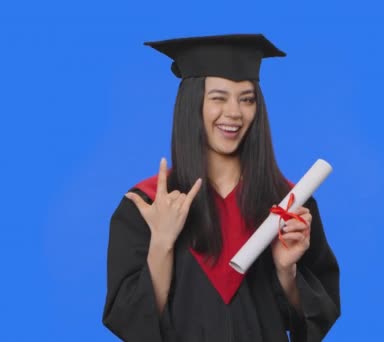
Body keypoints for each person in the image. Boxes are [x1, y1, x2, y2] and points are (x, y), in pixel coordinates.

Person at [102, 34, 340, 342]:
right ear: (193, 104)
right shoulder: (146, 206)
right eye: (218, 97)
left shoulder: (289, 205)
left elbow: (312, 320)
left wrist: (286, 270)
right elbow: (132, 324)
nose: (234, 113)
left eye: (246, 98)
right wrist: (162, 243)